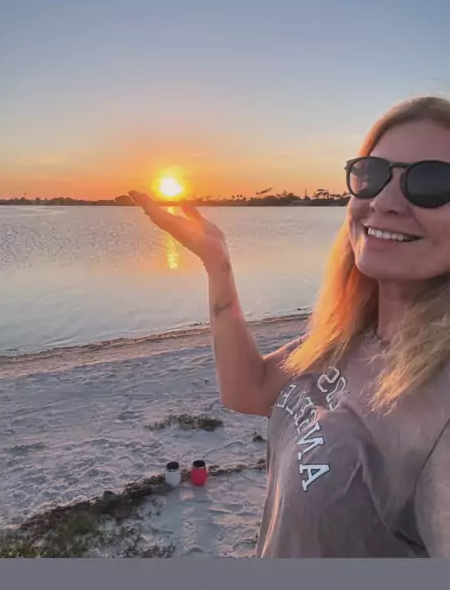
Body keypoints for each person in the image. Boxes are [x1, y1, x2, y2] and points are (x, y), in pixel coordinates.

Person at [129, 95, 450, 558]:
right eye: (372, 174)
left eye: (432, 183)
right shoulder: (350, 336)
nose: (383, 202)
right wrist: (217, 262)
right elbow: (248, 389)